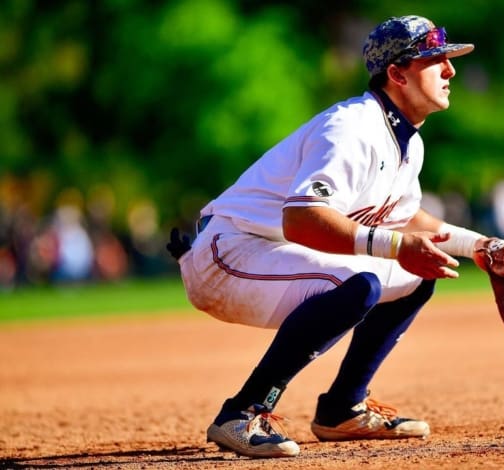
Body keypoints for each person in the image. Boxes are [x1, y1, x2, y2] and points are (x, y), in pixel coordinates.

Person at [173, 15, 486, 458]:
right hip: (228, 253)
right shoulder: (351, 127)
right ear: (397, 74)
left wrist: (487, 248)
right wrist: (397, 246)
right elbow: (302, 219)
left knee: (420, 270)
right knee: (362, 284)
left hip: (272, 252)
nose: (450, 70)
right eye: (436, 60)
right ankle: (240, 414)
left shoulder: (405, 141)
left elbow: (410, 221)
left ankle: (342, 408)